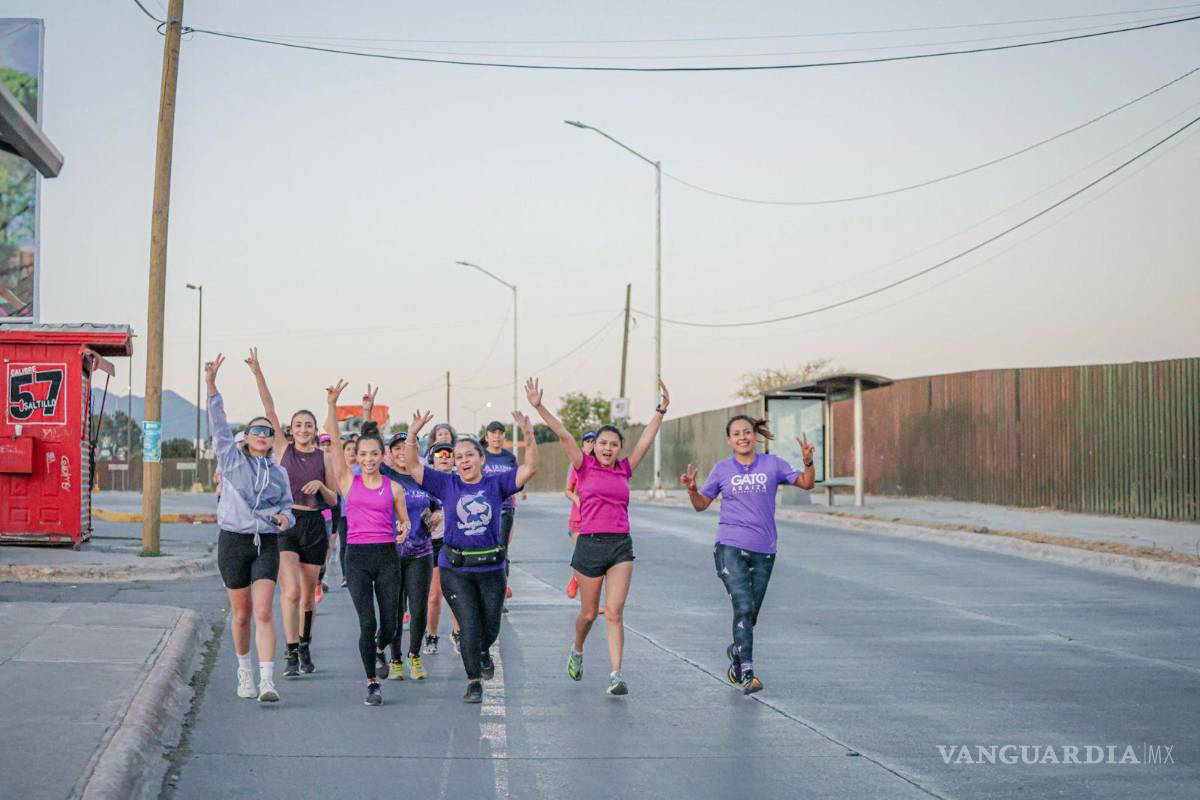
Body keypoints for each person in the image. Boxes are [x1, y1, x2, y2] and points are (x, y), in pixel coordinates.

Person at [529, 377, 670, 696]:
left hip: (620, 546)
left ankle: (616, 674)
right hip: (589, 545)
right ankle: (577, 649)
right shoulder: (583, 465)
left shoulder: (624, 469)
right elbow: (563, 433)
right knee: (589, 613)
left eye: (614, 444)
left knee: (615, 612)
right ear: (595, 446)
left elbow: (645, 442)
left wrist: (660, 410)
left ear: (619, 449)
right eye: (603, 443)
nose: (608, 448)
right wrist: (539, 407)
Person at [403, 407, 538, 703]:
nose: (463, 460)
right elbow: (413, 467)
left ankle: (481, 651)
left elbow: (529, 469)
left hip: (491, 567)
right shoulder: (446, 483)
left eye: (469, 455)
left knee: (490, 626)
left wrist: (529, 435)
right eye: (458, 456)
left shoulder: (495, 483)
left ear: (481, 460)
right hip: (455, 567)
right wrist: (412, 434)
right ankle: (473, 680)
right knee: (469, 624)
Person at [681, 418, 815, 695]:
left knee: (750, 614)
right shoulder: (722, 470)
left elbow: (806, 483)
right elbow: (701, 506)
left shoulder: (773, 464)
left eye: (747, 433)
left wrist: (808, 462)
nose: (742, 437)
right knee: (742, 607)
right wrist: (693, 490)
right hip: (729, 546)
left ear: (755, 437)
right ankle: (748, 672)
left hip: (764, 550)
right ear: (729, 440)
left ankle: (736, 652)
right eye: (736, 434)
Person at [206, 354, 294, 703]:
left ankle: (268, 681)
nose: (262, 435)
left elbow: (288, 507)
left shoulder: (279, 473)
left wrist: (288, 518)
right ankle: (244, 672)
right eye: (257, 430)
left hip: (267, 544)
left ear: (273, 440)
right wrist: (212, 385)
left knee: (262, 612)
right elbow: (217, 424)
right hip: (233, 542)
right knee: (241, 615)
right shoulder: (231, 461)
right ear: (247, 437)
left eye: (268, 432)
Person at [246, 350, 338, 679]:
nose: (302, 429)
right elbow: (269, 409)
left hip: (315, 525)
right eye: (298, 424)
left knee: (308, 597)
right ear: (291, 429)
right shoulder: (282, 448)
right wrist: (258, 372)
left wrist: (320, 486)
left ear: (315, 430)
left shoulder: (324, 457)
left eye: (308, 425)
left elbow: (333, 496)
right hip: (287, 523)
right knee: (291, 591)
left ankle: (305, 643)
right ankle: (289, 652)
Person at [325, 381, 411, 706]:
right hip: (358, 557)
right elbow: (335, 443)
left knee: (389, 623)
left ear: (383, 455)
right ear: (357, 457)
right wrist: (332, 406)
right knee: (367, 621)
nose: (370, 458)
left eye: (375, 453)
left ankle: (380, 648)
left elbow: (404, 520)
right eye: (364, 454)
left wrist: (403, 528)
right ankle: (372, 682)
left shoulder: (394, 487)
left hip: (387, 555)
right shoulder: (349, 481)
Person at [382, 431, 438, 681]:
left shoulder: (423, 478)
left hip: (421, 551)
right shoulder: (386, 476)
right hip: (391, 553)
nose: (402, 452)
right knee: (394, 609)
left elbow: (441, 502)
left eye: (407, 447)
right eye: (397, 448)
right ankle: (395, 659)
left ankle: (414, 655)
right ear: (390, 453)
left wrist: (439, 514)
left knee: (418, 607)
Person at [422, 441, 458, 656]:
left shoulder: (459, 480)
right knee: (435, 596)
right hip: (431, 543)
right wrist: (429, 517)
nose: (444, 457)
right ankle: (432, 634)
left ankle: (458, 633)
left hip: (453, 541)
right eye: (439, 454)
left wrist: (444, 513)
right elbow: (418, 508)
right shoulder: (426, 482)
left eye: (448, 454)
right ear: (432, 459)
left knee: (456, 594)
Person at [481, 420, 519, 604]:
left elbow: (518, 482)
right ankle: (483, 591)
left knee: (501, 551)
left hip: (505, 509)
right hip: (484, 510)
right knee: (484, 549)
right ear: (487, 436)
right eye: (493, 433)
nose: (497, 436)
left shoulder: (509, 458)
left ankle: (500, 594)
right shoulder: (481, 457)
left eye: (500, 433)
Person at [563, 430, 596, 599]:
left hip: (596, 518)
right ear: (583, 444)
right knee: (580, 555)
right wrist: (576, 499)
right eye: (588, 441)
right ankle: (575, 578)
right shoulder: (576, 463)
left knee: (595, 559)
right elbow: (567, 490)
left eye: (594, 441)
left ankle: (591, 600)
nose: (591, 444)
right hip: (578, 517)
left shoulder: (601, 464)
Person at [336, 437, 358, 587]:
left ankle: (358, 573)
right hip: (343, 514)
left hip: (360, 514)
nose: (351, 452)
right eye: (348, 449)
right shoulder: (340, 471)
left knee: (357, 544)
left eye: (354, 449)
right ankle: (345, 575)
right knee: (344, 544)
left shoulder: (363, 469)